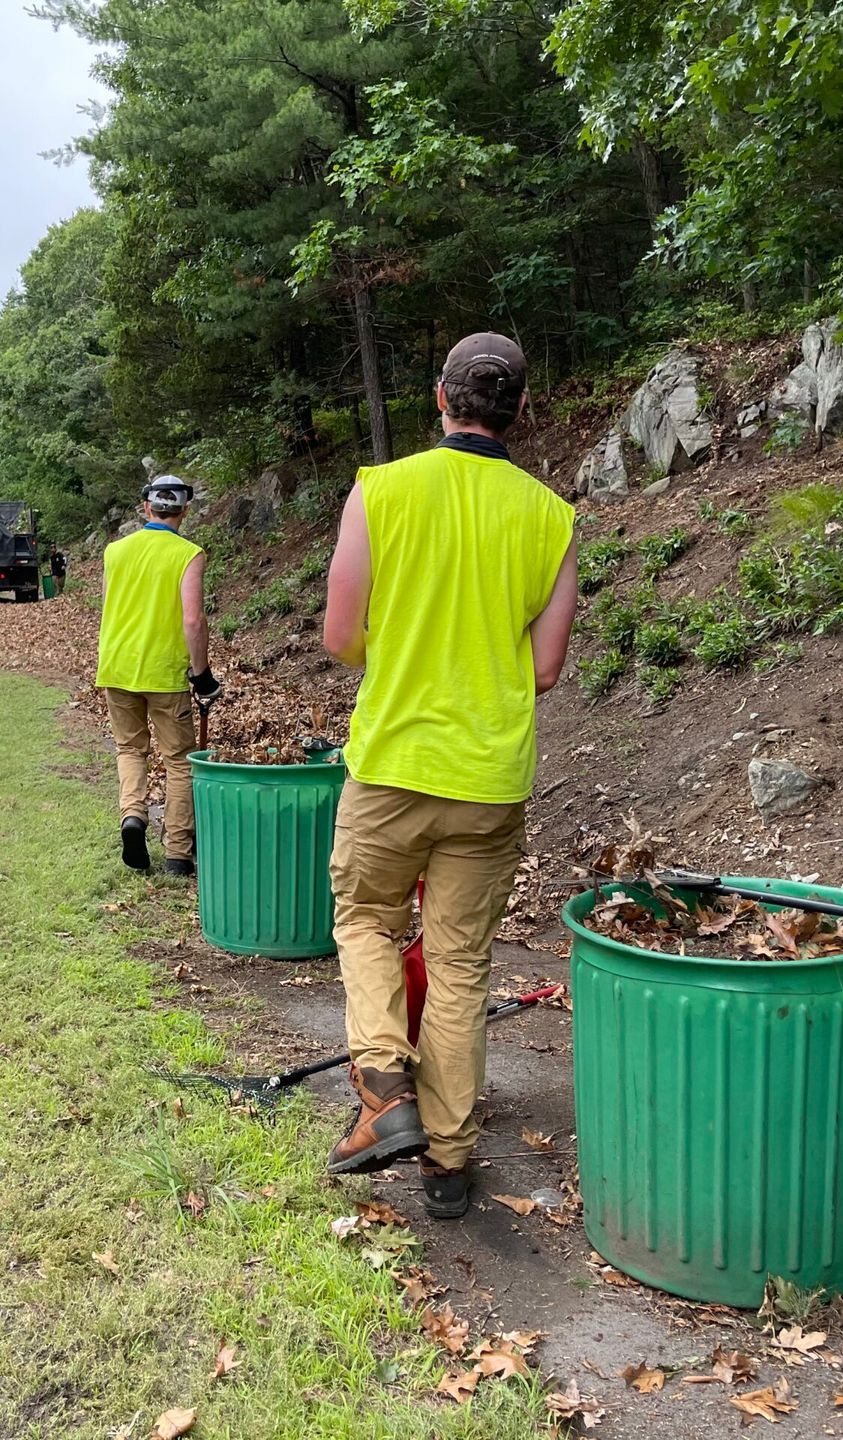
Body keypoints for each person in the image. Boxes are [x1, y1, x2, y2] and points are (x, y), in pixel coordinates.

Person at [320, 333, 580, 1220]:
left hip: (393, 761)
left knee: (363, 918)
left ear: (441, 398)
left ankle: (384, 1090)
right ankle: (450, 1161)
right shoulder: (551, 517)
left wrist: (400, 658)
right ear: (520, 411)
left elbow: (340, 635)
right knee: (462, 964)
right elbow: (545, 670)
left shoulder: (381, 491)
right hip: (489, 779)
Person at [94, 477, 218, 875]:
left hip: (116, 667)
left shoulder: (115, 552)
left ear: (146, 508)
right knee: (179, 760)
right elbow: (193, 620)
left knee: (130, 750)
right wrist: (203, 675)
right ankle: (178, 854)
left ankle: (133, 816)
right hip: (164, 673)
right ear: (183, 511)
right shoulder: (189, 554)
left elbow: (110, 605)